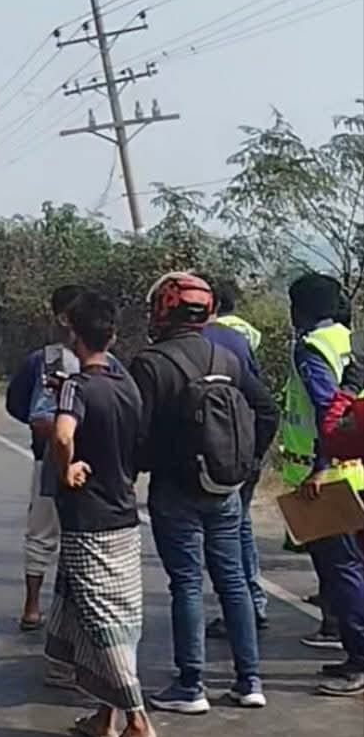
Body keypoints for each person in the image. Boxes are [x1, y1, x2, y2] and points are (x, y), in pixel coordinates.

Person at [130, 272, 278, 714]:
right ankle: (249, 680)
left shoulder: (151, 363)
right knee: (232, 581)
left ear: (162, 310)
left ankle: (191, 685)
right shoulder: (227, 356)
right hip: (225, 487)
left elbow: (137, 433)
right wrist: (247, 464)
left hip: (176, 489)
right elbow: (266, 410)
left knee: (188, 584)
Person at [44, 292, 159, 737]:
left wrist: (67, 467)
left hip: (88, 517)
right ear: (111, 336)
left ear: (74, 336)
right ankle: (104, 715)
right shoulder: (127, 385)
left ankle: (138, 721)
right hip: (124, 512)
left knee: (100, 617)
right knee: (104, 609)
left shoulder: (76, 387)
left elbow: (63, 433)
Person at [283, 273, 364, 696]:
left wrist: (320, 466)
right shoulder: (348, 339)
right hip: (356, 469)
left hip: (330, 476)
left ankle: (359, 660)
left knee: (342, 570)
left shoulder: (311, 348)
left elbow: (326, 406)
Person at [5, 284, 83, 632]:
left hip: (63, 456)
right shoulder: (51, 360)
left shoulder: (54, 358)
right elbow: (36, 417)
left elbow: (18, 406)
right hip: (58, 456)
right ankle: (34, 605)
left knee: (55, 534)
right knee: (47, 533)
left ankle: (39, 606)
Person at [201, 284, 270, 636]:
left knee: (216, 544)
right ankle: (252, 603)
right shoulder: (240, 338)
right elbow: (264, 404)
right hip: (243, 448)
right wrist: (256, 452)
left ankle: (239, 611)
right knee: (239, 529)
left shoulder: (196, 344)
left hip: (211, 454)